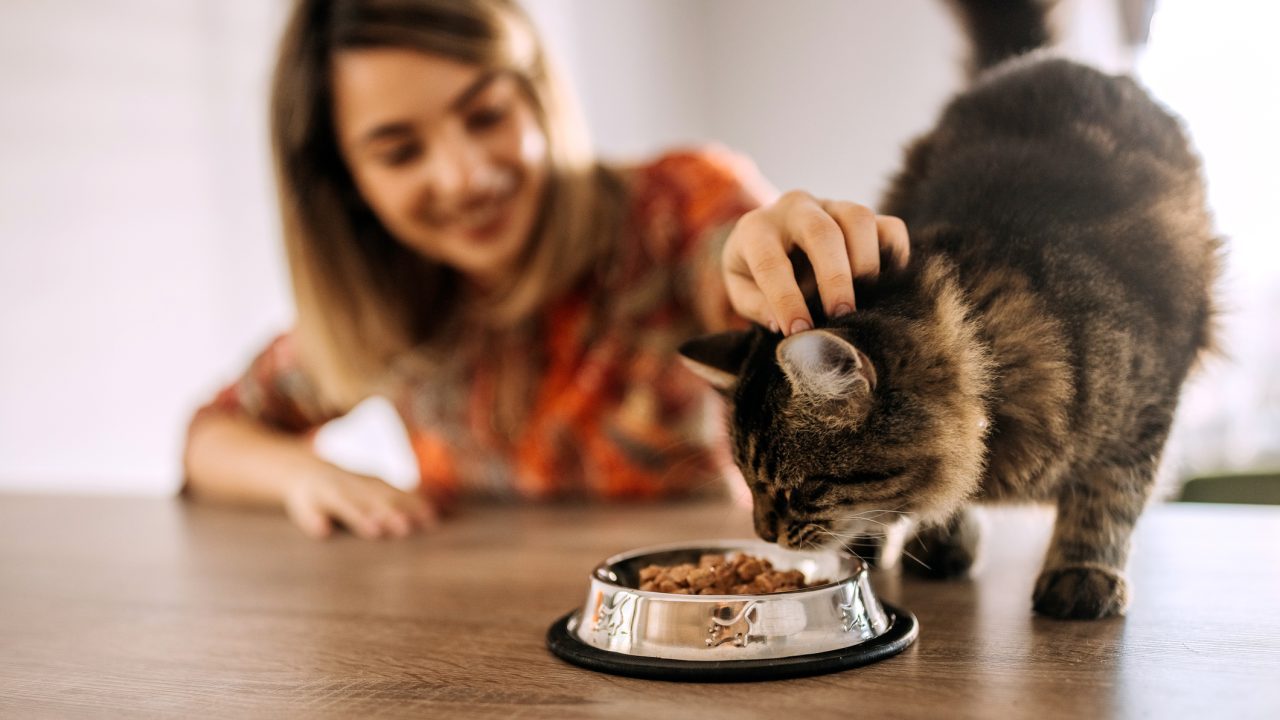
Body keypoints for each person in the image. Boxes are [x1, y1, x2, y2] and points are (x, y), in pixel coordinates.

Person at [182, 0, 910, 540]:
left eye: (486, 115)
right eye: (401, 152)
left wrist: (788, 270)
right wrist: (304, 474)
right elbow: (211, 437)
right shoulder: (383, 306)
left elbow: (738, 266)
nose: (465, 176)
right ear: (346, 185)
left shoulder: (675, 211)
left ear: (535, 94)